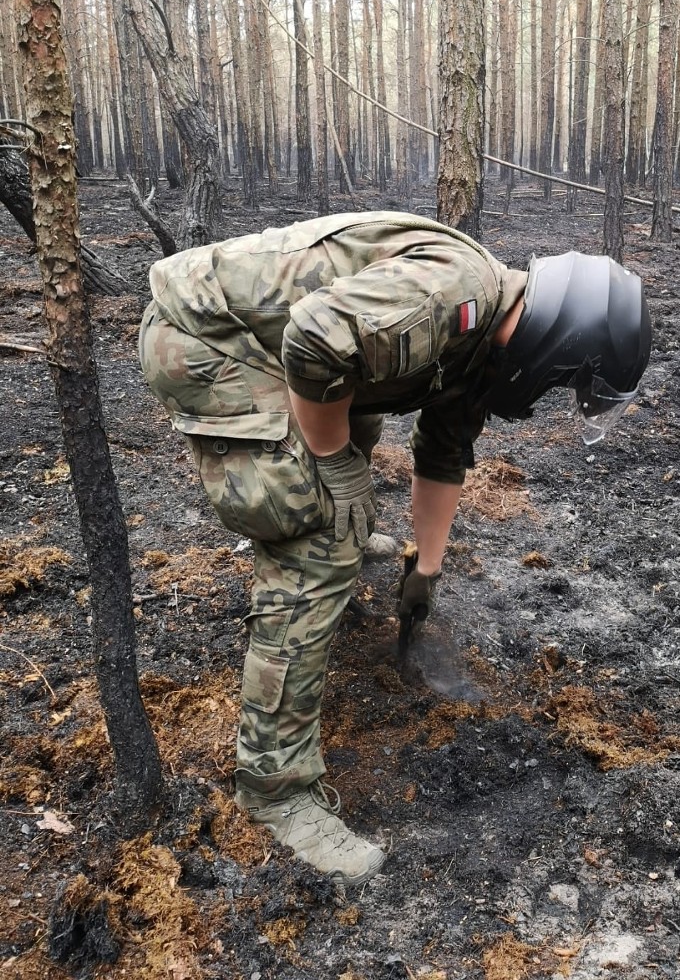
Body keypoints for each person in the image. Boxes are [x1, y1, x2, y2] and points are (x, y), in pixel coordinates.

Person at [138, 210, 651, 888]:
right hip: (206, 340)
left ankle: (333, 529)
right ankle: (274, 789)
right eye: (566, 382)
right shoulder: (450, 300)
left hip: (282, 342)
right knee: (321, 532)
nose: (554, 394)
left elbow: (444, 452)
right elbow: (315, 343)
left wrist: (425, 571)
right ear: (558, 345)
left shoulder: (484, 340)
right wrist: (332, 468)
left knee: (356, 432)